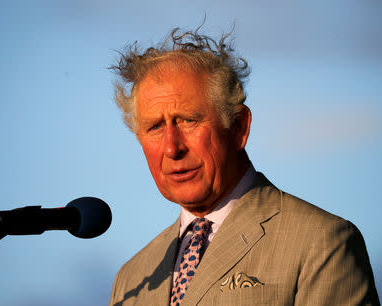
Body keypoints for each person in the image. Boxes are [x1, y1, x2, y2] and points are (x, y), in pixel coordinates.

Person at [108, 27, 379, 305]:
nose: (171, 147)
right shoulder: (132, 278)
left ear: (238, 127)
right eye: (154, 127)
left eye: (188, 120)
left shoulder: (322, 243)